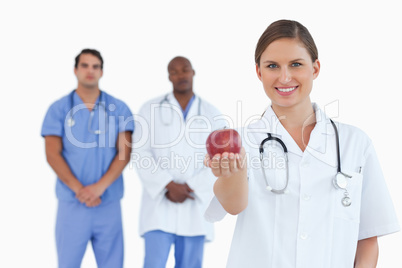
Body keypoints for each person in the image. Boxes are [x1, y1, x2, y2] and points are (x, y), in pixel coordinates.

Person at [204, 20, 400, 268]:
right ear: (259, 72)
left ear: (315, 68)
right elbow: (233, 205)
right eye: (272, 66)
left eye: (296, 64)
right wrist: (232, 173)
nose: (285, 77)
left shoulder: (355, 143)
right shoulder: (243, 142)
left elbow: (368, 237)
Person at [41, 49, 134, 268]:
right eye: (85, 65)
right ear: (75, 70)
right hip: (72, 203)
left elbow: (124, 153)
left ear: (102, 71)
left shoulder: (119, 108)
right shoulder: (58, 109)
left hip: (107, 202)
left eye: (95, 66)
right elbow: (52, 154)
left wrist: (99, 188)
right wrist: (80, 190)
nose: (90, 71)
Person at [133, 56, 225, 268]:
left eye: (185, 69)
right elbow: (140, 152)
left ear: (193, 72)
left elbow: (220, 159)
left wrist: (190, 187)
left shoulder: (212, 114)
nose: (180, 75)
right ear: (169, 77)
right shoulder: (149, 109)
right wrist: (168, 184)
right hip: (159, 205)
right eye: (174, 71)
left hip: (195, 205)